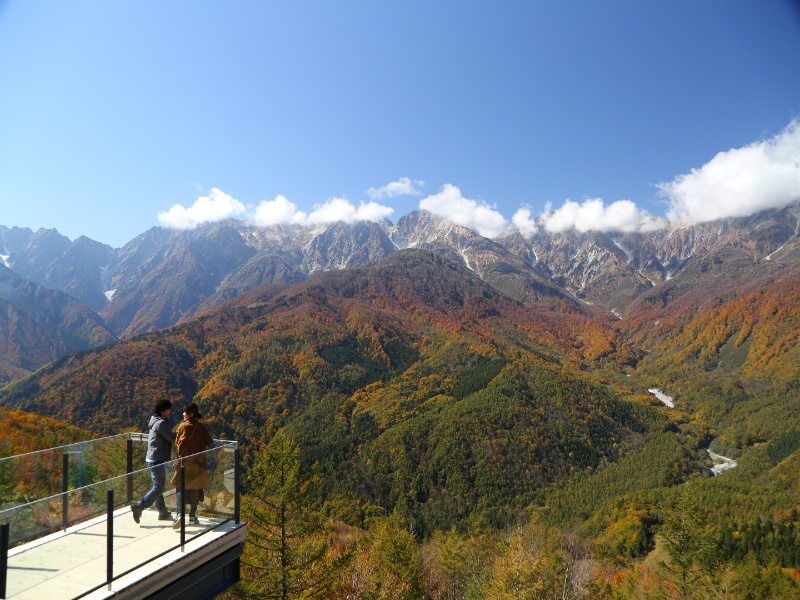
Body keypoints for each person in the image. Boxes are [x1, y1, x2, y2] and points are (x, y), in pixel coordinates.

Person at [131, 399, 176, 524]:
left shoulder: (154, 421)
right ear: (163, 411)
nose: (170, 411)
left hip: (151, 458)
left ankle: (162, 512)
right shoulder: (161, 424)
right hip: (156, 459)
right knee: (158, 487)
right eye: (168, 409)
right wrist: (184, 434)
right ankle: (139, 506)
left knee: (158, 487)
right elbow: (172, 437)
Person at [170, 402, 213, 528]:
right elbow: (209, 442)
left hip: (185, 463)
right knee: (196, 489)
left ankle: (179, 514)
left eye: (185, 412)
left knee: (180, 487)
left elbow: (177, 443)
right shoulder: (202, 427)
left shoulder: (182, 427)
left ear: (190, 414)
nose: (183, 414)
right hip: (199, 464)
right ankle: (192, 516)